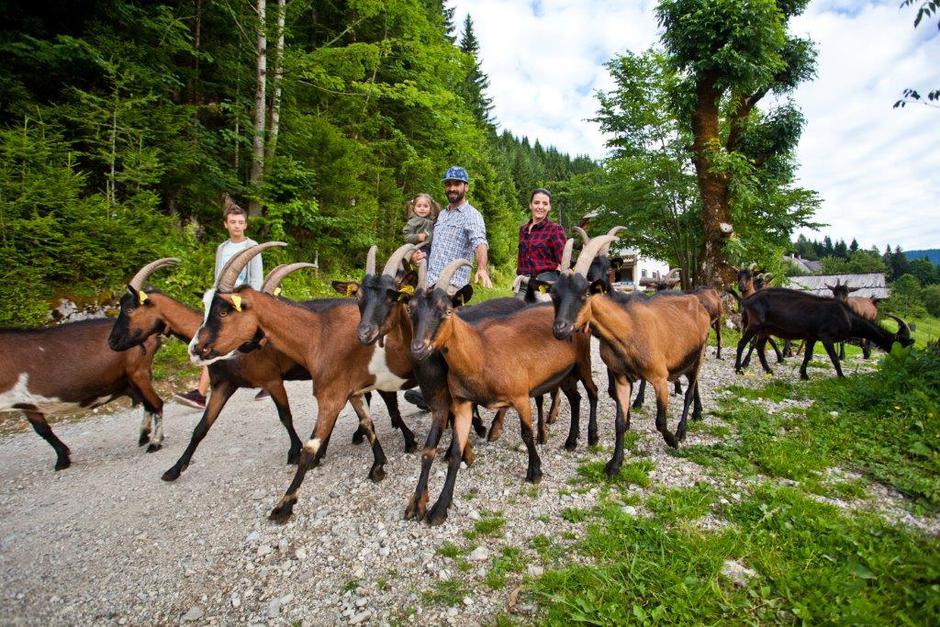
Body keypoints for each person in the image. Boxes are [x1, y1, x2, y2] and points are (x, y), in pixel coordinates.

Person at [405, 166, 492, 410]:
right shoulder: (441, 216)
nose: (452, 188)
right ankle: (433, 392)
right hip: (430, 284)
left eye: (456, 184)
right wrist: (418, 256)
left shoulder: (471, 215)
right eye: (448, 184)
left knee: (444, 340)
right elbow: (432, 246)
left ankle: (457, 392)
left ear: (466, 187)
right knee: (424, 334)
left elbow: (480, 242)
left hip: (452, 287)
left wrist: (482, 268)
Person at [174, 196, 264, 409]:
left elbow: (256, 279)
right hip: (223, 303)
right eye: (233, 222)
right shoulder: (222, 248)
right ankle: (200, 393)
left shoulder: (252, 246)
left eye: (241, 222)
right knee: (213, 339)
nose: (237, 226)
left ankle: (270, 381)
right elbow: (218, 277)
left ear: (246, 224)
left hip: (242, 300)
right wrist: (213, 299)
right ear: (226, 224)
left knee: (260, 337)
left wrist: (247, 301)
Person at [517, 187, 566, 280]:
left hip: (545, 283)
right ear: (530, 205)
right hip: (523, 282)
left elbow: (564, 260)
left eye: (545, 204)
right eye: (536, 203)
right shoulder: (523, 229)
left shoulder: (555, 229)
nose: (540, 207)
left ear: (549, 207)